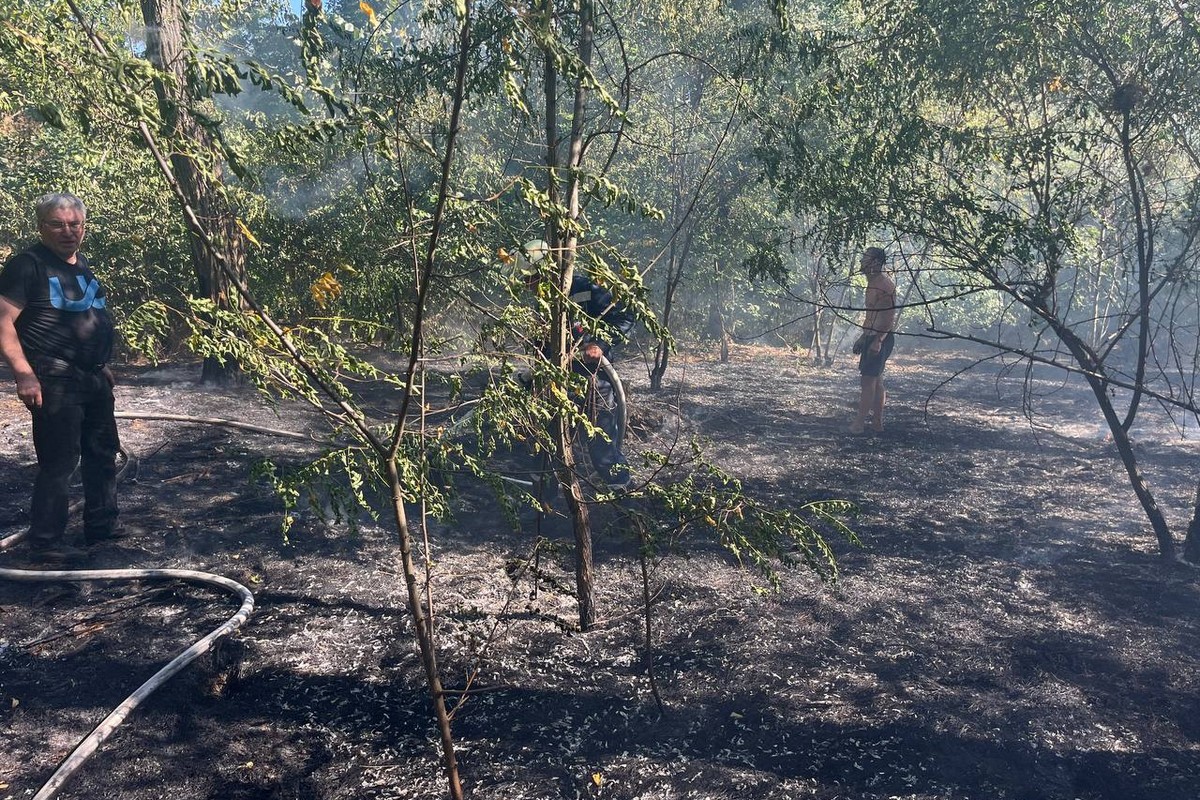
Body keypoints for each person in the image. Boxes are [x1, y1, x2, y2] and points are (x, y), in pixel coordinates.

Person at [0, 193, 121, 564]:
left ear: (83, 226)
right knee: (60, 462)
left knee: (102, 454)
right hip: (54, 379)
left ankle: (101, 531)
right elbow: (3, 321)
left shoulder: (81, 265)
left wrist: (102, 363)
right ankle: (47, 543)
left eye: (75, 224)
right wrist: (23, 373)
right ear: (41, 226)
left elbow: (87, 317)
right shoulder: (27, 265)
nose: (67, 231)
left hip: (93, 379)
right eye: (57, 223)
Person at [516, 240, 635, 488]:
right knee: (546, 443)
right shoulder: (544, 300)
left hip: (592, 378)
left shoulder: (585, 287)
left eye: (530, 278)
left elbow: (625, 317)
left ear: (545, 271)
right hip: (555, 380)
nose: (527, 285)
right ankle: (543, 504)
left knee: (601, 441)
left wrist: (599, 345)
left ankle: (622, 495)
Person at [850, 246, 896, 435]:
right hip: (873, 336)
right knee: (876, 380)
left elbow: (888, 317)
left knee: (868, 381)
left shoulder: (884, 285)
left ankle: (859, 424)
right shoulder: (873, 283)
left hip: (880, 337)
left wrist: (878, 340)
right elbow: (871, 315)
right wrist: (864, 336)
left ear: (875, 262)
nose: (861, 262)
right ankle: (877, 423)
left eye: (865, 258)